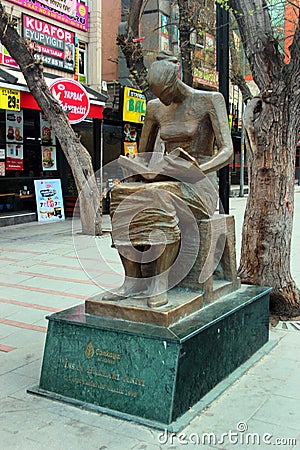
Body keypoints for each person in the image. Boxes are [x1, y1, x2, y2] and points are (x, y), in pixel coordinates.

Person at [103, 51, 233, 308]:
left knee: (159, 194)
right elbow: (144, 154)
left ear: (177, 80)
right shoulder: (155, 108)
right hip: (164, 177)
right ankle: (133, 279)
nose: (163, 100)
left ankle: (159, 280)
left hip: (199, 183)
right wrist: (138, 168)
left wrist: (199, 168)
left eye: (165, 93)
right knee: (121, 194)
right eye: (158, 94)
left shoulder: (209, 101)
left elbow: (227, 151)